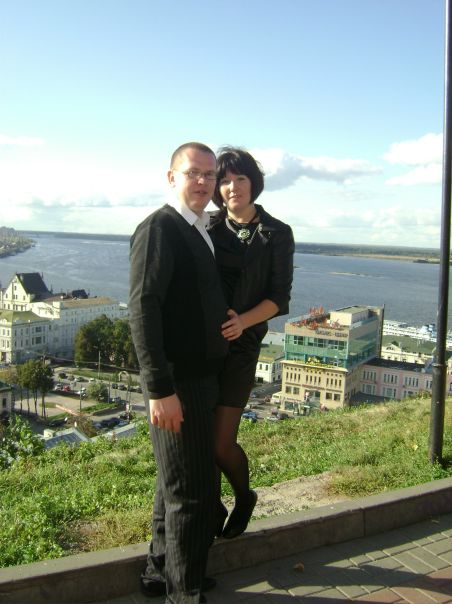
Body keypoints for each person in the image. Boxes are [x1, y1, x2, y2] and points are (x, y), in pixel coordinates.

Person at [129, 142, 229, 604]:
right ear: (172, 178)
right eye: (193, 173)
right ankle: (183, 595)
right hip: (178, 383)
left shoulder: (199, 229)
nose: (204, 181)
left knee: (174, 482)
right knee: (191, 493)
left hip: (199, 378)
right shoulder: (160, 228)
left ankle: (160, 572)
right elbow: (143, 308)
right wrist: (159, 388)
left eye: (210, 174)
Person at [208, 147, 294, 539]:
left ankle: (244, 497)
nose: (232, 187)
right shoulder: (207, 227)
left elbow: (279, 298)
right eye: (224, 180)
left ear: (253, 183)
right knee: (200, 440)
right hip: (203, 346)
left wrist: (242, 322)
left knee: (221, 442)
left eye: (239, 178)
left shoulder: (276, 233)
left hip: (241, 348)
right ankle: (211, 508)